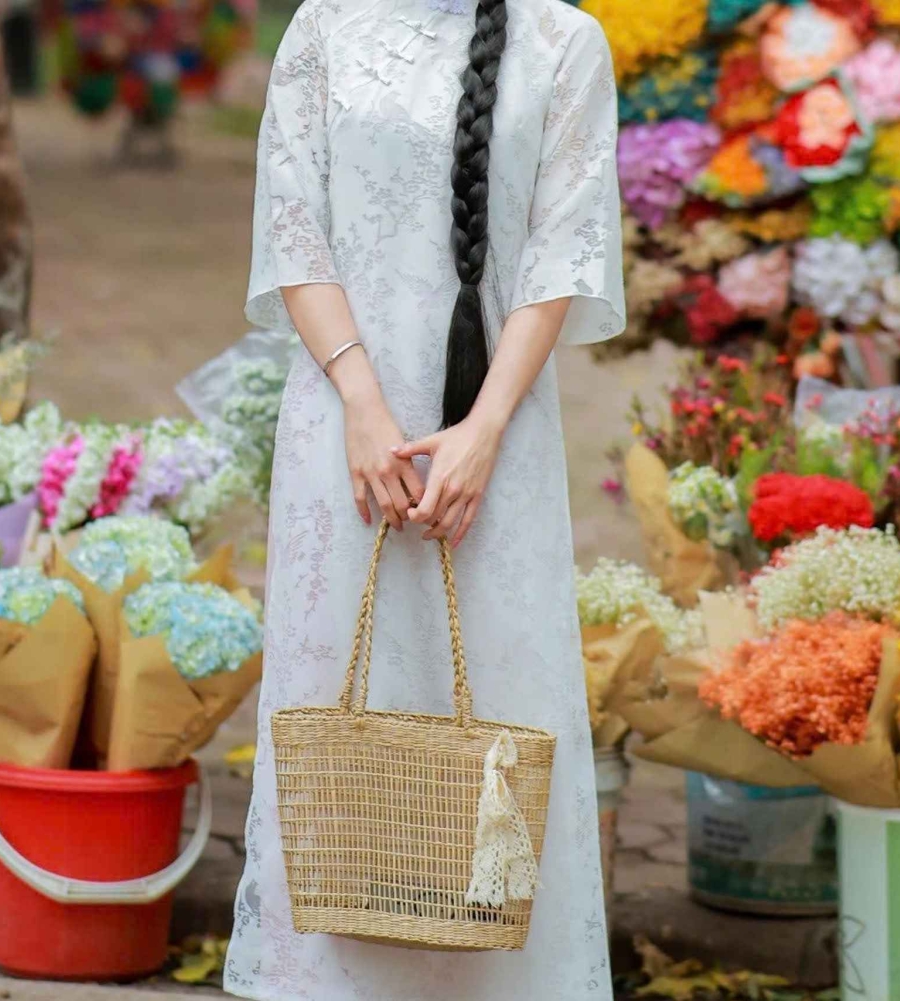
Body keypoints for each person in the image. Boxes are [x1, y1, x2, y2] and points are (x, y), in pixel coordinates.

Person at [224, 0, 624, 997]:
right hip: (340, 420)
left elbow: (562, 253)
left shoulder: (564, 40)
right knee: (336, 701)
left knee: (496, 697)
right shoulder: (324, 25)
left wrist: (484, 432)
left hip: (495, 423)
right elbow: (293, 226)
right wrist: (360, 404)